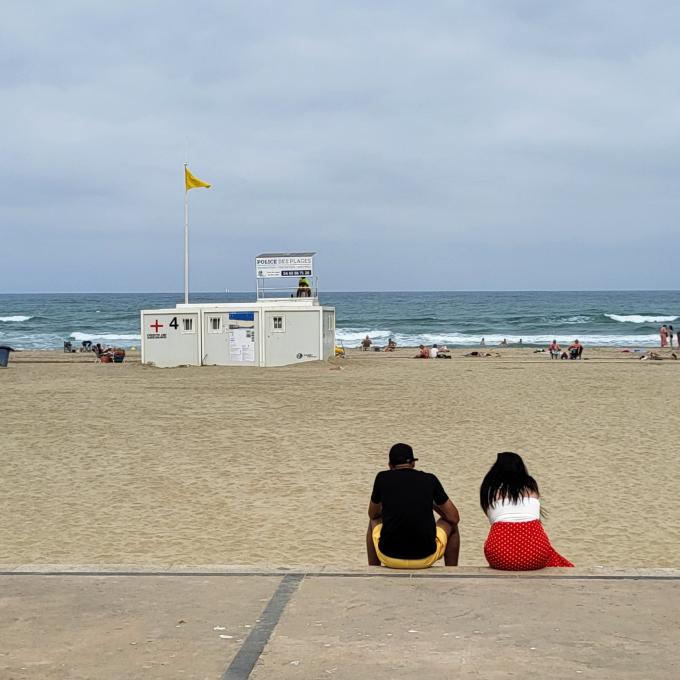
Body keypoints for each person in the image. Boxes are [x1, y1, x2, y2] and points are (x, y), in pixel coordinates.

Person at [367, 443, 460, 568]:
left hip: (389, 557)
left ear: (390, 465)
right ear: (413, 463)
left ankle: (373, 571)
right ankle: (452, 571)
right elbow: (454, 517)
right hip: (425, 558)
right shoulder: (430, 479)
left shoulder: (381, 478)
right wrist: (429, 501)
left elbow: (372, 514)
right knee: (452, 524)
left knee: (373, 521)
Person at [480, 452, 573, 570]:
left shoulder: (489, 491)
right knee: (551, 554)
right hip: (537, 554)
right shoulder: (531, 487)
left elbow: (492, 519)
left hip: (499, 556)